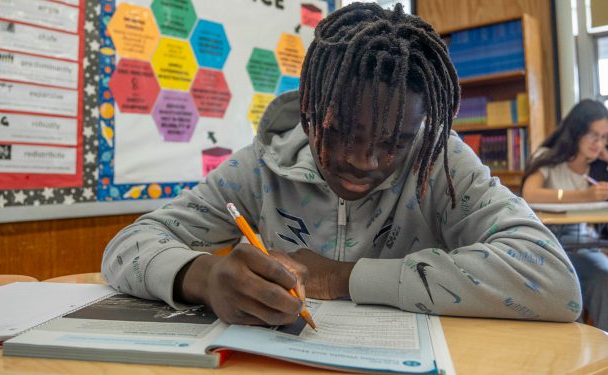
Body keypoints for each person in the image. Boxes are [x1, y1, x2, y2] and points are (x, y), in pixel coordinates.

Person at [102, 3, 581, 327]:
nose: (363, 160)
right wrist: (204, 278)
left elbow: (556, 285)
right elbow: (125, 247)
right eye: (342, 132)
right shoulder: (261, 166)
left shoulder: (441, 160)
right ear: (309, 103)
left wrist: (345, 275)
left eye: (392, 142)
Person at [521, 99, 608, 355]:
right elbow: (529, 193)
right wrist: (585, 196)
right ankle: (574, 362)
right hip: (544, 243)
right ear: (576, 131)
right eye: (592, 135)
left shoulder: (601, 166)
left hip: (582, 242)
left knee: (607, 280)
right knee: (562, 290)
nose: (597, 143)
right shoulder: (548, 158)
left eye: (604, 137)